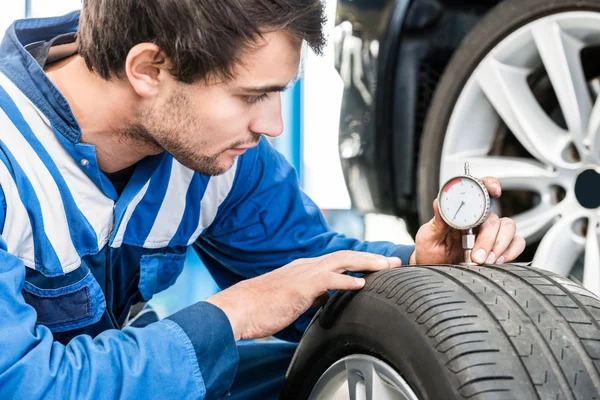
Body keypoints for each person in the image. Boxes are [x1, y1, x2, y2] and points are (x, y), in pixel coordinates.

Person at [0, 1, 525, 399]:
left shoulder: (220, 156)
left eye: (279, 94)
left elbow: (307, 270)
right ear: (148, 70)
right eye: (251, 96)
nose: (271, 125)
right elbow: (27, 385)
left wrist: (419, 267)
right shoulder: (11, 163)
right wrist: (235, 312)